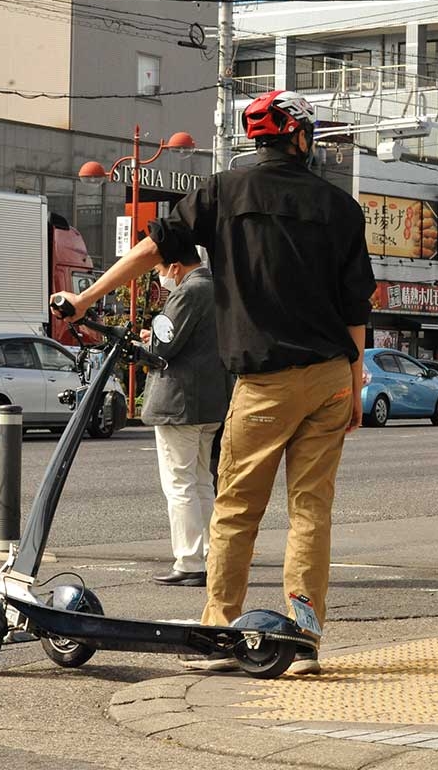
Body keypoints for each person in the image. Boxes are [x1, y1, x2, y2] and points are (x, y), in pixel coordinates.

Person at [52, 90, 376, 676]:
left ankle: (219, 630)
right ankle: (304, 640)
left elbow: (152, 249)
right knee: (310, 510)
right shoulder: (341, 206)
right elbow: (357, 307)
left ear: (258, 141)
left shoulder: (224, 191)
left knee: (235, 510)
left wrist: (84, 297)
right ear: (302, 139)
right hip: (330, 375)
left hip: (264, 383)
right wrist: (354, 385)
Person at [138, 248, 231, 587]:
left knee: (179, 484)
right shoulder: (218, 287)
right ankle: (209, 556)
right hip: (211, 402)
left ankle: (189, 561)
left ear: (175, 267)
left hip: (180, 404)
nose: (163, 278)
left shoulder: (188, 291)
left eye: (163, 270)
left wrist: (148, 339)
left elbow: (163, 347)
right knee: (203, 481)